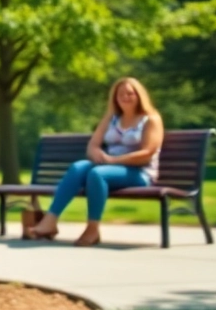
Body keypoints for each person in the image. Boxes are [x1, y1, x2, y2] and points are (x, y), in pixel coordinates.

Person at [29, 77, 164, 247]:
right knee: (78, 167)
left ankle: (92, 229)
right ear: (115, 98)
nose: (125, 97)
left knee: (97, 174)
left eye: (130, 93)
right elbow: (93, 145)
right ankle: (50, 221)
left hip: (140, 173)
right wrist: (97, 153)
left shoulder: (150, 119)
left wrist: (113, 160)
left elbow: (147, 153)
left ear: (139, 95)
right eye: (120, 94)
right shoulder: (112, 118)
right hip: (111, 169)